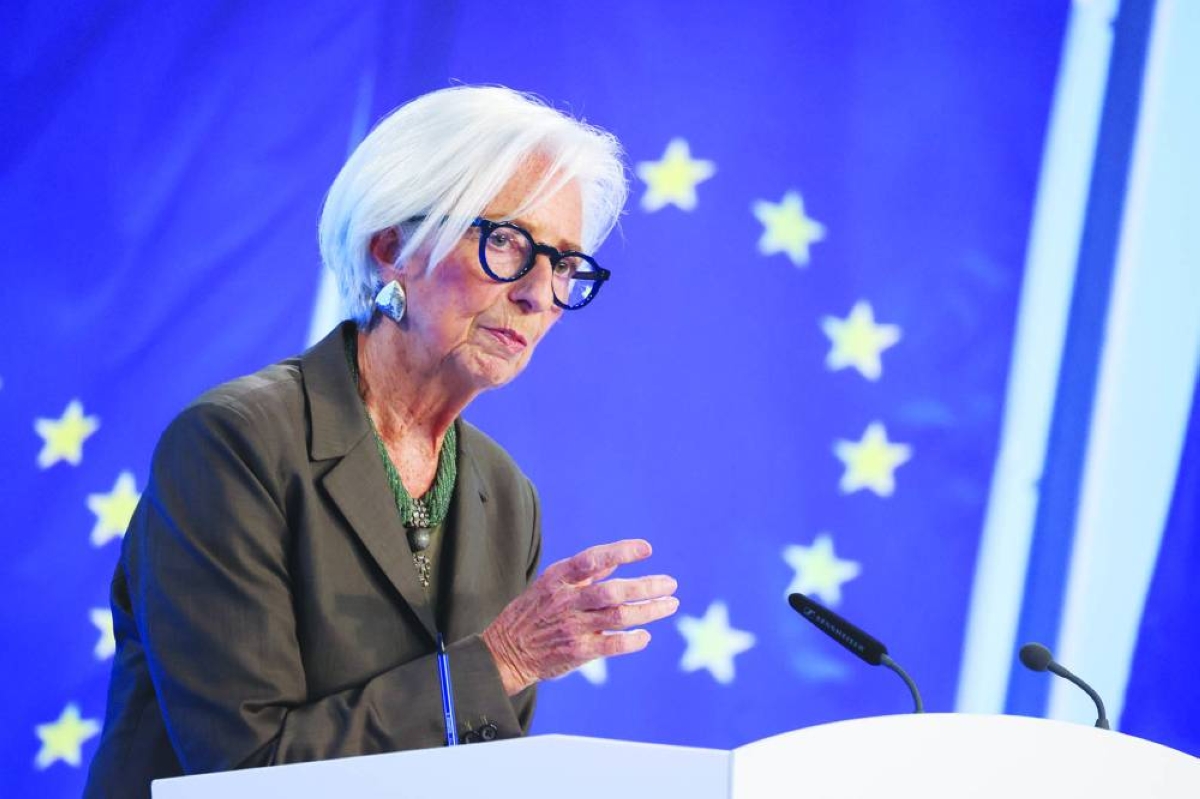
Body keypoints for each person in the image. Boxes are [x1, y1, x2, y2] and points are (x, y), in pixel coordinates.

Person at [84, 85, 680, 798]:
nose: (538, 293)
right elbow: (246, 774)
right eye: (509, 243)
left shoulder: (505, 494)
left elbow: (485, 774)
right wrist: (502, 659)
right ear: (393, 246)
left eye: (564, 264)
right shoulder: (234, 445)